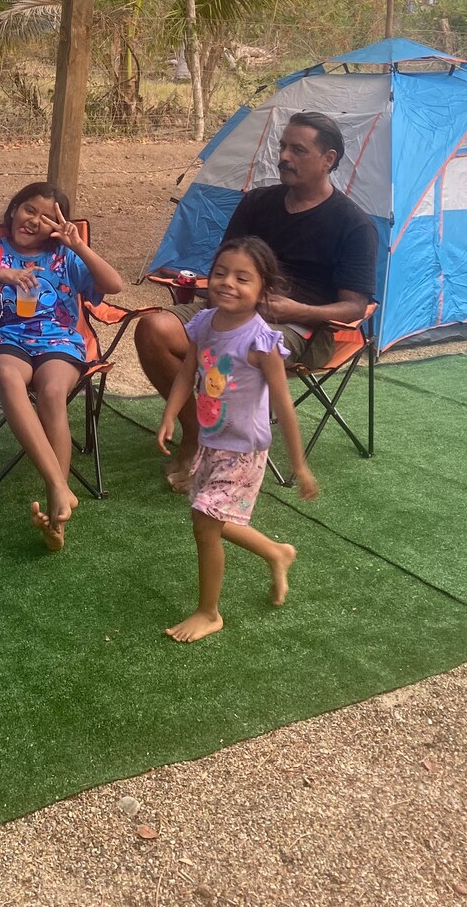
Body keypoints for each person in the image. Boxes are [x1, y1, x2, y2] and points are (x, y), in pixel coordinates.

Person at [138, 110, 377, 488]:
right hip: (230, 306)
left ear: (328, 159)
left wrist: (298, 309)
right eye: (283, 147)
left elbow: (354, 306)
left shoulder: (354, 224)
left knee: (242, 349)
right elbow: (225, 263)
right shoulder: (257, 203)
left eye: (298, 150)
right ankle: (197, 434)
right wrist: (214, 296)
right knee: (152, 327)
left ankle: (227, 453)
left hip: (298, 326)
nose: (284, 157)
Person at [0, 181, 124, 552]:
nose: (34, 221)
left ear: (57, 226)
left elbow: (114, 285)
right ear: (14, 209)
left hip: (58, 341)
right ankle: (60, 487)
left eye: (46, 217)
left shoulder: (65, 257)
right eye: (29, 210)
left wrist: (78, 245)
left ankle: (56, 517)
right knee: (7, 377)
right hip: (6, 340)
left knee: (53, 392)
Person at [156, 236, 319, 642]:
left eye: (243, 278)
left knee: (204, 523)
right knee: (213, 519)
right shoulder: (203, 324)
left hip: (244, 450)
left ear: (263, 291)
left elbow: (284, 405)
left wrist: (299, 465)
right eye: (221, 273)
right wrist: (170, 414)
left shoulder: (260, 341)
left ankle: (209, 613)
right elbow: (188, 371)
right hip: (211, 441)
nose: (228, 282)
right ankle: (276, 552)